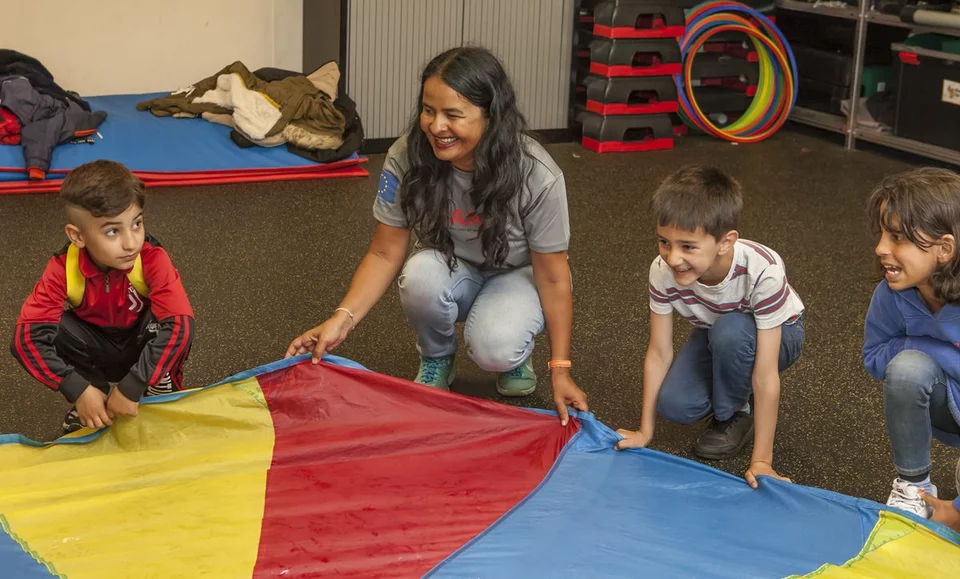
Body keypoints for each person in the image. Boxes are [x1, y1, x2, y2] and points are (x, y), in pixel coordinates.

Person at [286, 46, 587, 424]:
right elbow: (383, 253)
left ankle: (515, 350)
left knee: (494, 346)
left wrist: (560, 367)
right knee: (420, 276)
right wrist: (341, 319)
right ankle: (436, 355)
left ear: (491, 117)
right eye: (429, 110)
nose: (436, 126)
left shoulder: (536, 173)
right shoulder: (407, 156)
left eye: (453, 115)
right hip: (452, 264)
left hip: (518, 274)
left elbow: (554, 275)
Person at [615, 166, 805, 488]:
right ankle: (731, 391)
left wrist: (762, 462)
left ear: (725, 242)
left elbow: (765, 372)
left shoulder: (763, 270)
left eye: (688, 246)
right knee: (675, 404)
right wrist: (645, 430)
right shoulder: (661, 271)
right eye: (664, 242)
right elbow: (659, 353)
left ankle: (735, 412)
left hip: (779, 334)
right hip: (715, 331)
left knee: (730, 333)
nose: (673, 258)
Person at [10, 160, 194, 434]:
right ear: (78, 236)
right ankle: (95, 393)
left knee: (174, 317)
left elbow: (182, 327)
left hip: (141, 341)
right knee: (52, 327)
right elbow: (25, 340)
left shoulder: (151, 257)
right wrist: (77, 388)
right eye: (112, 231)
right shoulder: (63, 267)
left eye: (137, 223)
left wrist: (133, 385)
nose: (131, 242)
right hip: (97, 348)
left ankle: (156, 381)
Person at [861, 167, 960, 531]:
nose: (881, 248)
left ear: (945, 249)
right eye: (883, 234)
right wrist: (922, 345)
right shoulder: (891, 296)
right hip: (947, 402)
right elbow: (874, 358)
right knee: (907, 368)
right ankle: (913, 489)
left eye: (898, 237)